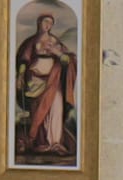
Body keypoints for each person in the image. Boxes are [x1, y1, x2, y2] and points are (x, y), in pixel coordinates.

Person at [15, 13, 77, 160]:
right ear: (39, 23)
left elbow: (68, 59)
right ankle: (41, 142)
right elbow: (24, 60)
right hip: (35, 83)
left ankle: (55, 142)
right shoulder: (32, 41)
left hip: (53, 82)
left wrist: (57, 52)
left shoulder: (55, 41)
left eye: (50, 23)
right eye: (45, 22)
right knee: (39, 111)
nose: (48, 25)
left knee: (56, 107)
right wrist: (20, 76)